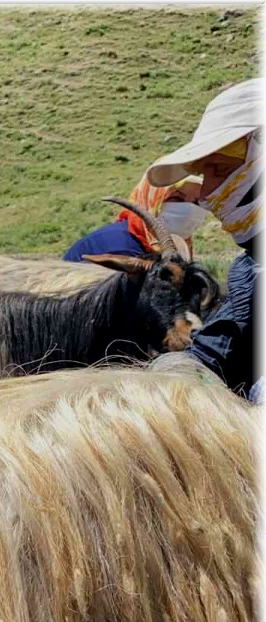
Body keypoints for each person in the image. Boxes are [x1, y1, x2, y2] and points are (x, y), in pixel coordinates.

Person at [146, 78, 261, 398]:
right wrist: (172, 378)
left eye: (219, 169)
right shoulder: (250, 273)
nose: (207, 193)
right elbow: (213, 356)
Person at [63, 172, 205, 262]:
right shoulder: (120, 248)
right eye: (176, 198)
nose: (189, 209)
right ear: (151, 199)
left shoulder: (175, 248)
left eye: (197, 202)